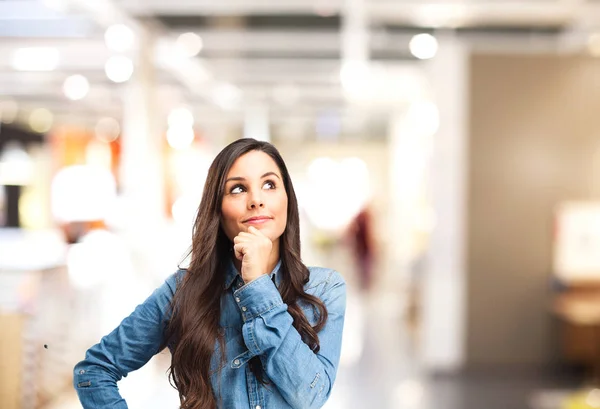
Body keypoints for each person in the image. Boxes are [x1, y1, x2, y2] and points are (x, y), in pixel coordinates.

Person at [73, 138, 347, 409]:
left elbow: (309, 397)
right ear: (217, 208)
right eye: (238, 189)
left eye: (269, 184)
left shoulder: (323, 288)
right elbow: (94, 371)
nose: (256, 200)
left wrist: (259, 285)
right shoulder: (182, 291)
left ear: (288, 198)